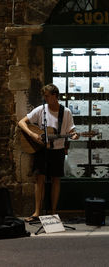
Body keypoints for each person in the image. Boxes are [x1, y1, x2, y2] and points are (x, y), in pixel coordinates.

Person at [18, 83, 79, 222]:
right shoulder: (41, 110)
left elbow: (71, 130)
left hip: (57, 150)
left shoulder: (66, 112)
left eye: (47, 96)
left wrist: (74, 135)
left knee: (56, 179)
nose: (44, 99)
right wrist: (32, 135)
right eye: (44, 96)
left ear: (55, 96)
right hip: (42, 149)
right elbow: (21, 122)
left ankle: (53, 212)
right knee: (39, 179)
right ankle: (37, 212)